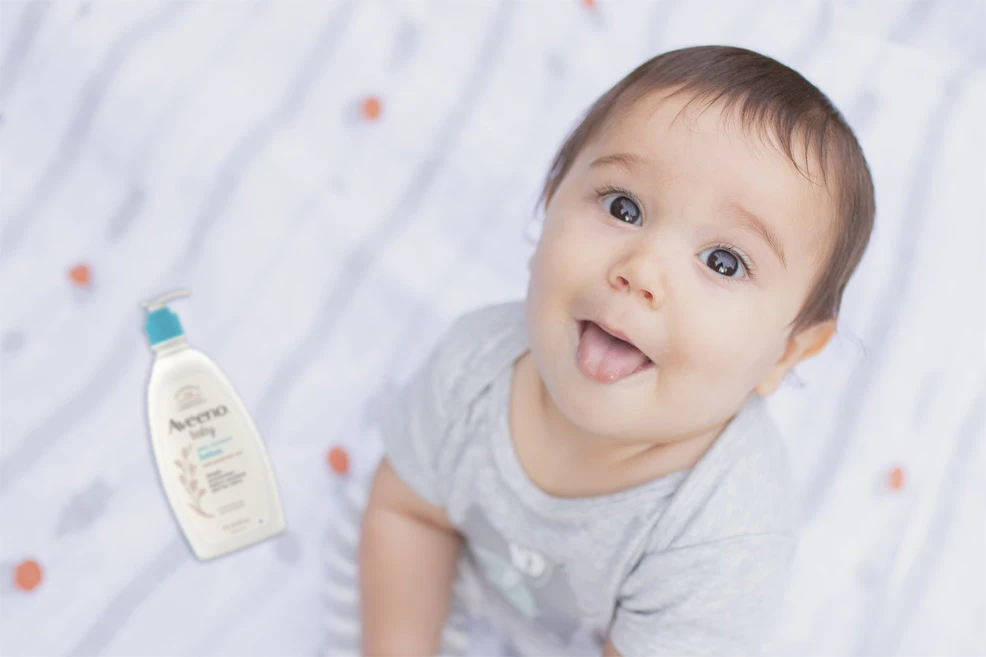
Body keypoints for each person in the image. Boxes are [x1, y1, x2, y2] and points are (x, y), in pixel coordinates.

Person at [358, 44, 876, 656]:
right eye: (623, 207)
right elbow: (409, 513)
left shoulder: (726, 530)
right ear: (550, 200)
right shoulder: (474, 367)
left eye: (723, 261)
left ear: (786, 353)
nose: (641, 269)